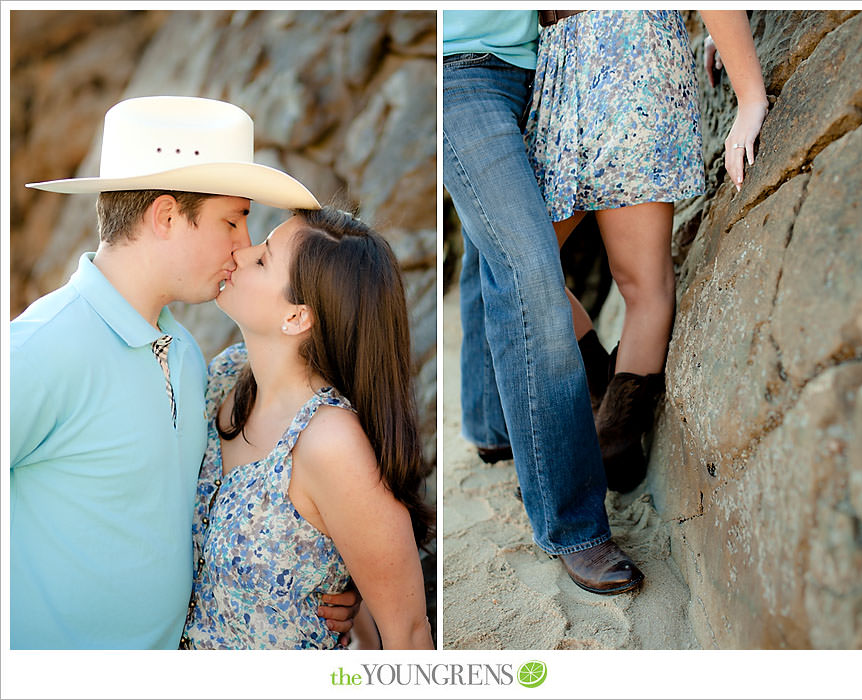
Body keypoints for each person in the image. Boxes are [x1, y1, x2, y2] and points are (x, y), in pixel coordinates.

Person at [10, 95, 360, 649]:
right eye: (233, 219)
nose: (243, 246)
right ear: (167, 216)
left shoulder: (189, 357)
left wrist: (316, 579)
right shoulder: (43, 349)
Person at [523, 10, 768, 492]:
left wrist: (750, 95)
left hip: (631, 50)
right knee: (520, 271)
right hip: (555, 66)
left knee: (641, 280)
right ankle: (600, 387)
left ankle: (614, 437)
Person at [443, 10, 644, 596]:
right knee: (529, 269)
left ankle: (488, 422)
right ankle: (575, 526)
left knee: (493, 243)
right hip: (457, 72)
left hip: (550, 60)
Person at [180, 207, 434, 650]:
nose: (241, 252)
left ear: (298, 317)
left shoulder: (330, 444)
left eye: (262, 259)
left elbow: (408, 635)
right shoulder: (224, 377)